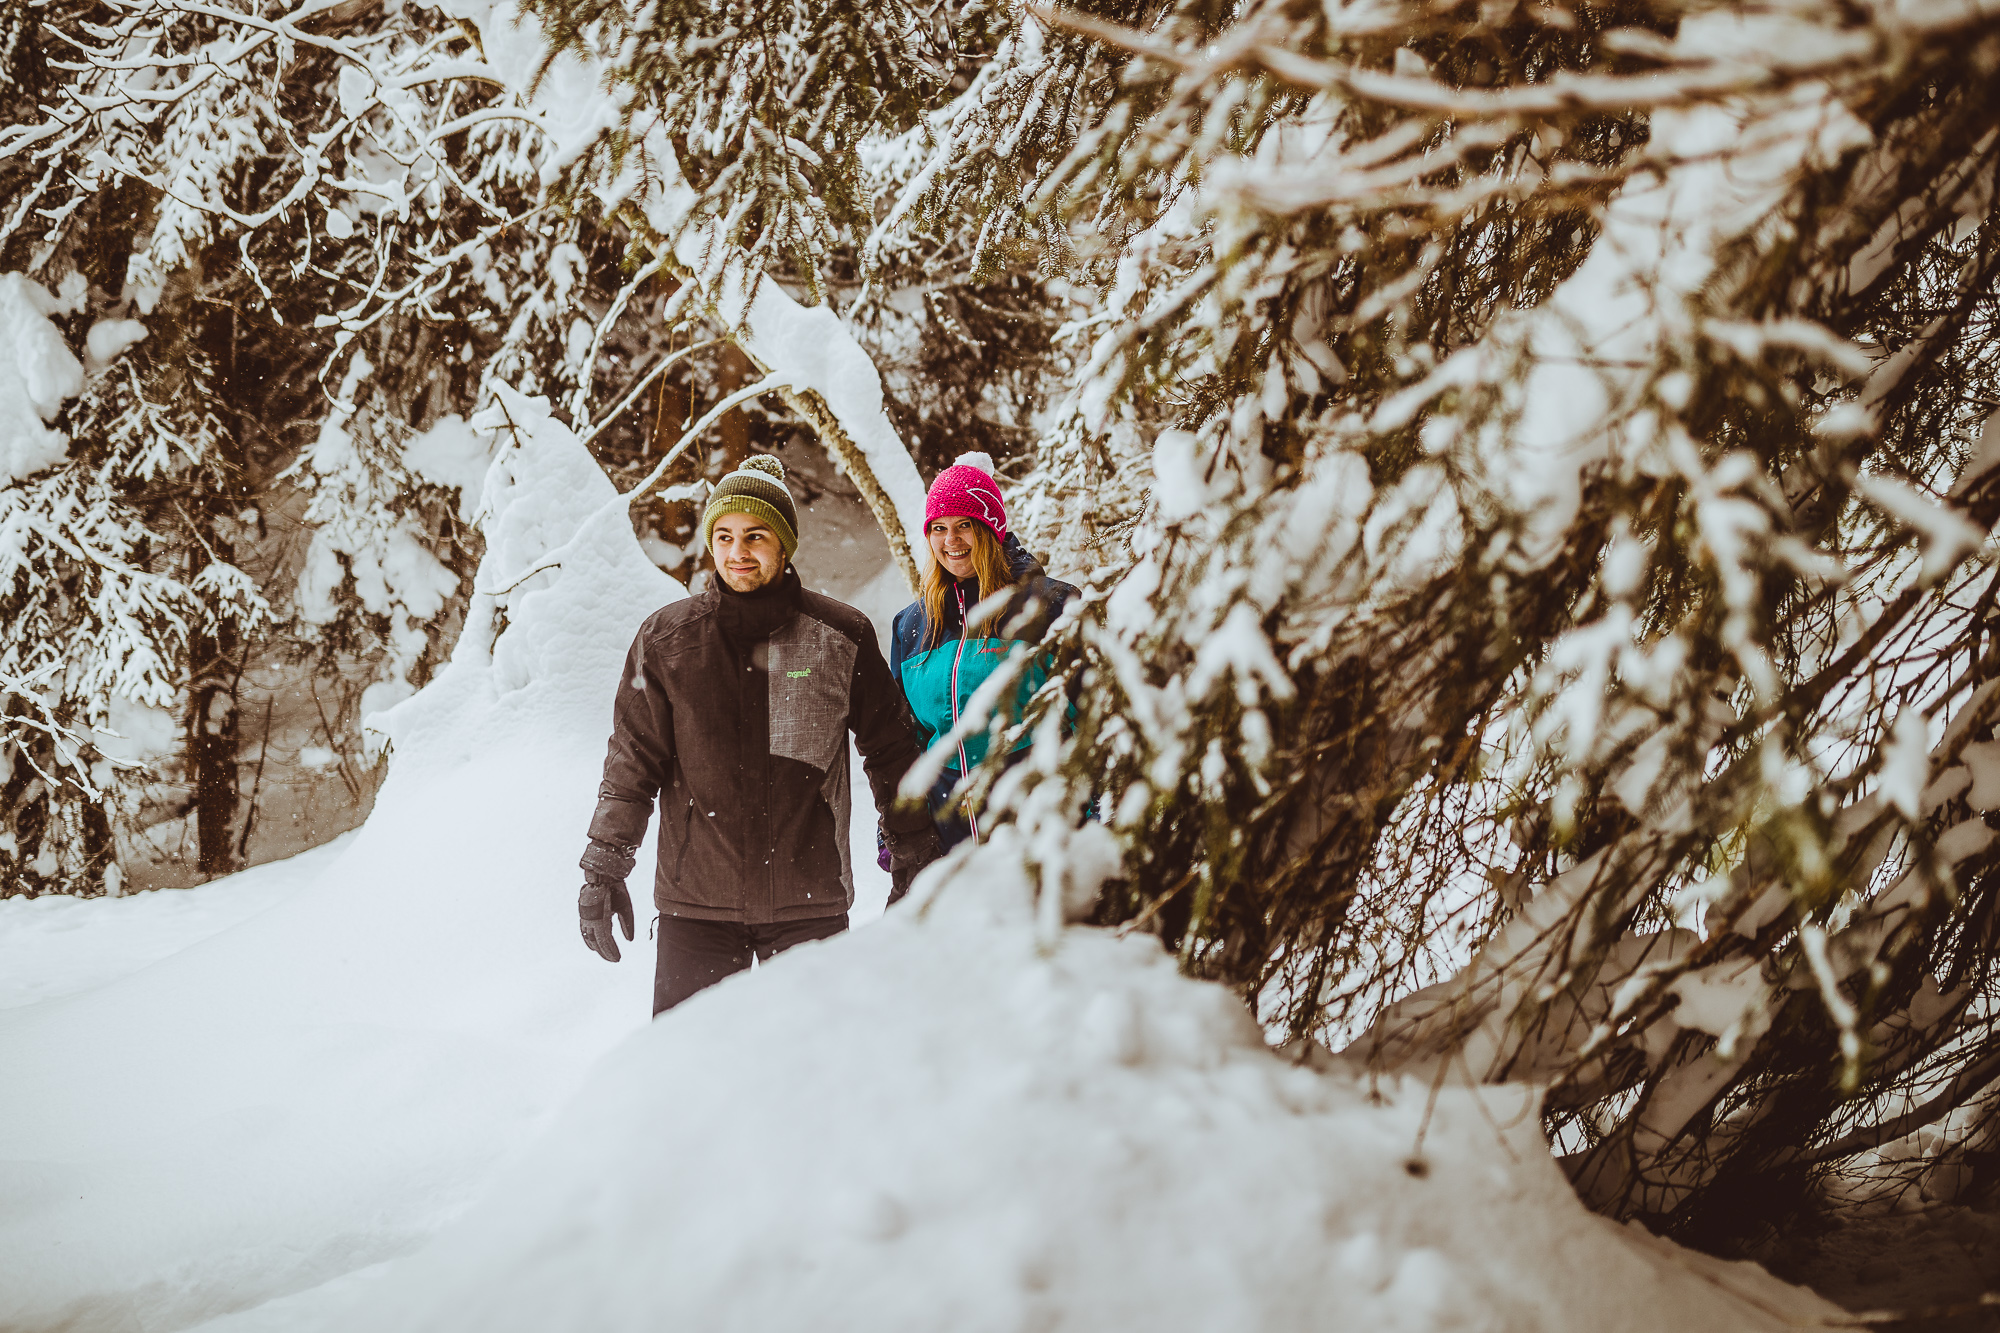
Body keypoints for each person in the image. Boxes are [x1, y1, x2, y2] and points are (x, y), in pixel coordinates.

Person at [576, 454, 943, 1014]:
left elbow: (890, 753)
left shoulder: (840, 636)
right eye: (723, 536)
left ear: (784, 544)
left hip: (809, 903)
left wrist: (914, 850)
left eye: (754, 536)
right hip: (696, 908)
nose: (736, 552)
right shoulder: (668, 640)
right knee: (694, 1078)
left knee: (808, 1074)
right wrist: (604, 864)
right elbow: (632, 762)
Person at [887, 452, 1078, 851]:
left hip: (1040, 830)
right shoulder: (912, 625)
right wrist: (897, 827)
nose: (950, 540)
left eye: (965, 526)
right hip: (948, 839)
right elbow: (902, 739)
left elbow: (1089, 712)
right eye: (938, 528)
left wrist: (1093, 810)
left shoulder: (1049, 605)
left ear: (991, 529)